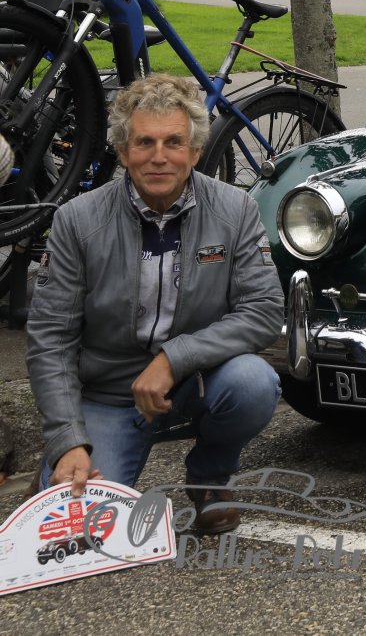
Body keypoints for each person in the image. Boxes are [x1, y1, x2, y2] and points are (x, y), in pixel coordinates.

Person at [26, 75, 283, 534]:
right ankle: (59, 465)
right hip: (107, 396)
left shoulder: (236, 210)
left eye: (173, 142)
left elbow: (264, 309)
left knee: (254, 383)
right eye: (144, 142)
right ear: (123, 151)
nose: (159, 156)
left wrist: (173, 359)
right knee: (81, 534)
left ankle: (210, 479)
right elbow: (51, 341)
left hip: (195, 382)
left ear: (195, 151)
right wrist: (67, 440)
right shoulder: (75, 221)